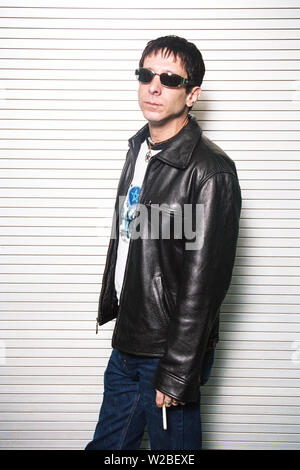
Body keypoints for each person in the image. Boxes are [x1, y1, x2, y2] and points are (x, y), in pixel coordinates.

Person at [85, 35, 241, 451]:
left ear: (193, 94)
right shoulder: (139, 151)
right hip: (128, 339)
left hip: (168, 352)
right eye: (146, 74)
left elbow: (204, 284)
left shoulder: (211, 172)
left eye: (170, 79)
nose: (154, 86)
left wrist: (176, 372)